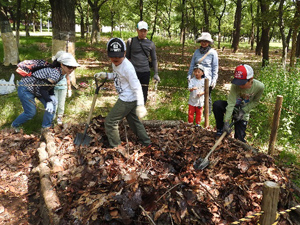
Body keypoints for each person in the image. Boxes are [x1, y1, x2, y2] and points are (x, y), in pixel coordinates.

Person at [95, 37, 151, 148]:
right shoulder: (115, 64)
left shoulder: (128, 68)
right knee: (133, 121)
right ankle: (146, 142)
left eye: (119, 55)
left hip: (128, 99)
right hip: (127, 97)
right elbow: (118, 76)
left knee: (110, 122)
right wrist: (106, 75)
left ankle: (116, 147)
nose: (115, 58)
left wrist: (140, 105)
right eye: (112, 55)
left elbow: (137, 87)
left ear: (125, 53)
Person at [11, 52, 80, 132]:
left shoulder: (61, 73)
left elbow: (49, 85)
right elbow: (43, 89)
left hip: (38, 89)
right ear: (62, 65)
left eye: (74, 67)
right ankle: (14, 126)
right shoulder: (56, 73)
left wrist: (52, 95)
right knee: (30, 112)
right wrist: (48, 101)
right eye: (69, 67)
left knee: (53, 106)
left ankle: (45, 128)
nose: (71, 69)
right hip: (26, 88)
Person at [212, 64, 264, 142]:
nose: (240, 86)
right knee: (217, 105)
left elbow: (255, 102)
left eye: (242, 84)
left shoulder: (259, 87)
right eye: (238, 83)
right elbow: (231, 103)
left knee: (239, 140)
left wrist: (243, 111)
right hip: (232, 108)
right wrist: (226, 122)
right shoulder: (235, 85)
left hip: (243, 112)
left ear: (251, 79)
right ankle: (220, 129)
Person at [126, 21, 160, 104]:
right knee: (132, 91)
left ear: (147, 31)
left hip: (145, 71)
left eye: (145, 31)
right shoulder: (131, 41)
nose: (143, 33)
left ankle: (141, 109)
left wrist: (156, 73)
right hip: (133, 71)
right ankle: (132, 109)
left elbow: (154, 59)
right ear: (137, 30)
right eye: (141, 31)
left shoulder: (151, 44)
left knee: (144, 92)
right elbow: (126, 57)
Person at [187, 32, 218, 114]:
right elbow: (192, 64)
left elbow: (215, 67)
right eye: (202, 41)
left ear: (209, 42)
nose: (204, 43)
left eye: (206, 41)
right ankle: (196, 113)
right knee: (196, 94)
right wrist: (189, 75)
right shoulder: (196, 52)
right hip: (197, 77)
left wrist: (214, 79)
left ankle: (207, 114)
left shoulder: (213, 53)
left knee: (207, 97)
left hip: (207, 78)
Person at [53, 51, 73, 125]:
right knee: (55, 103)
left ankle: (59, 117)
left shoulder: (66, 68)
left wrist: (69, 89)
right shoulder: (55, 69)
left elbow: (68, 78)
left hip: (63, 88)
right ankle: (52, 117)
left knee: (61, 103)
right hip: (54, 88)